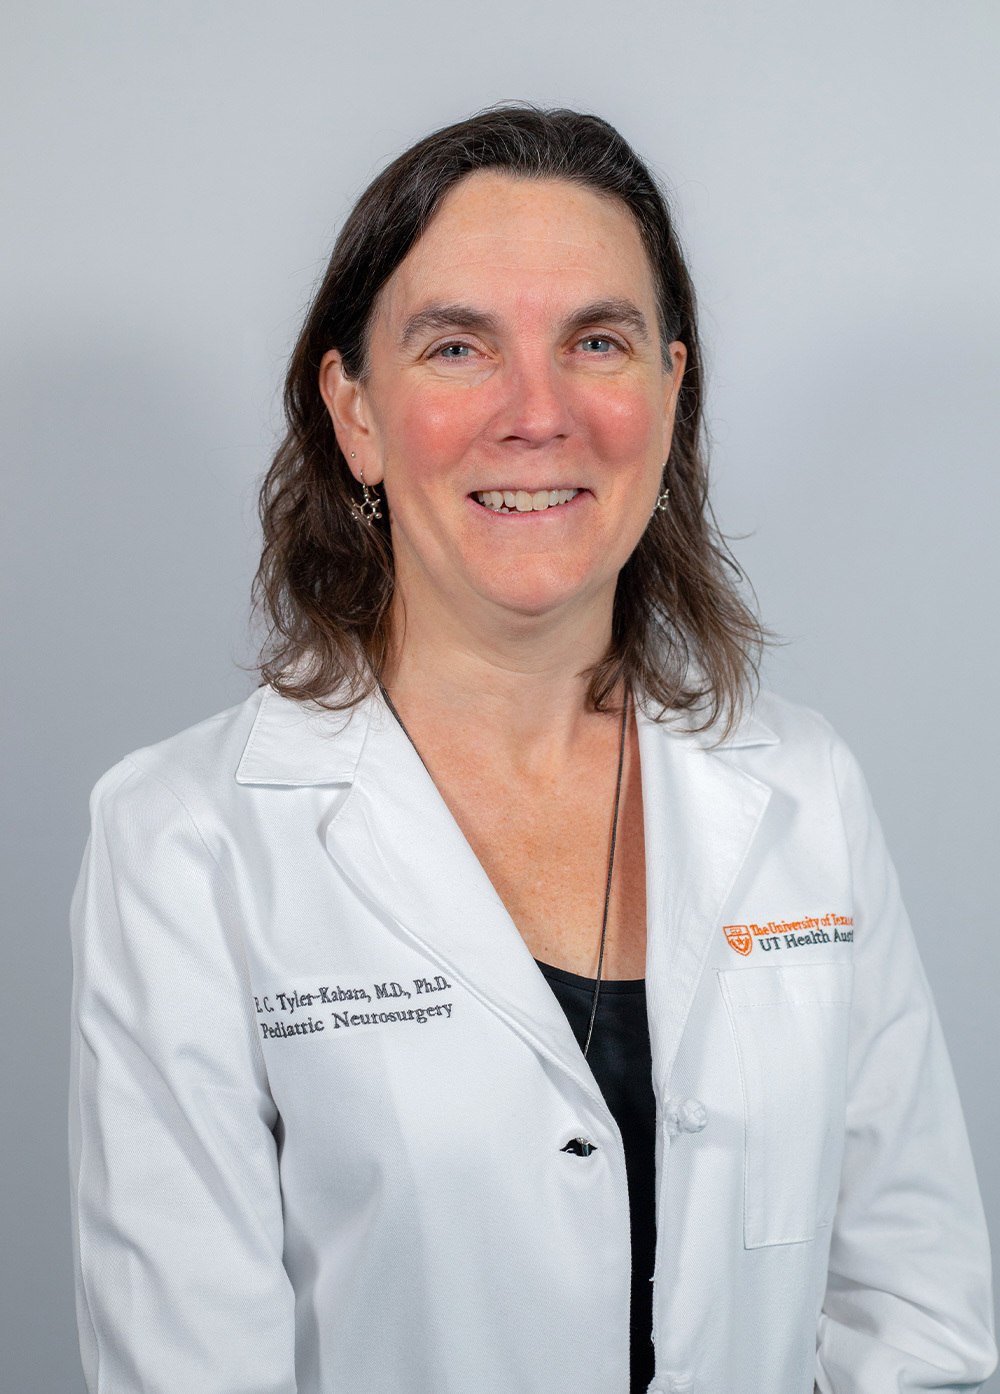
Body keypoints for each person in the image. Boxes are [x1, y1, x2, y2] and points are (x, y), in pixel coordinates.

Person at [69, 105, 996, 1394]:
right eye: (458, 347)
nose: (537, 413)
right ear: (356, 414)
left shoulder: (804, 789)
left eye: (596, 342)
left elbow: (920, 1321)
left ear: (670, 393)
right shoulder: (186, 840)